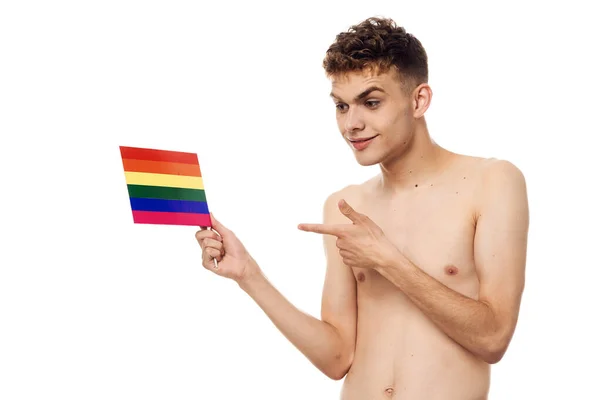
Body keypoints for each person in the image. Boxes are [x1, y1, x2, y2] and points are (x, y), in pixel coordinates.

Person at [195, 16, 529, 400]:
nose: (352, 124)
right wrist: (249, 275)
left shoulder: (491, 182)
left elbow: (493, 338)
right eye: (341, 106)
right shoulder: (345, 206)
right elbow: (337, 357)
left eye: (371, 102)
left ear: (418, 100)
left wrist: (388, 259)